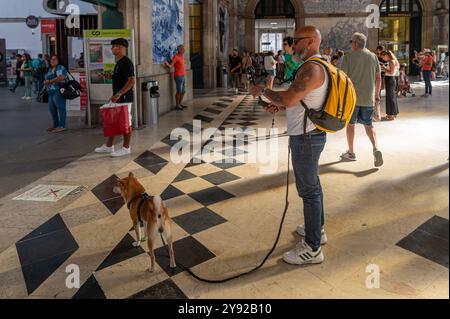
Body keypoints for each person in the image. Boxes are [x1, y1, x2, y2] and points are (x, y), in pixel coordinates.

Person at [252, 26, 330, 265]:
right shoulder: (310, 67)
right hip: (307, 134)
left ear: (311, 41)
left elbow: (287, 97)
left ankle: (313, 249)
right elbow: (296, 100)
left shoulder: (314, 68)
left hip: (307, 137)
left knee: (309, 191)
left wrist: (263, 90)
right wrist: (280, 105)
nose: (293, 45)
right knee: (312, 186)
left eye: (297, 41)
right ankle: (317, 229)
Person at [340, 33, 383, 167]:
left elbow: (343, 79)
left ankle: (351, 153)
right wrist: (376, 95)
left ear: (355, 43)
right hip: (368, 98)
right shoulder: (373, 56)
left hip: (352, 99)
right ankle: (376, 148)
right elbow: (378, 78)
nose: (351, 44)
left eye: (351, 41)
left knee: (350, 125)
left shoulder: (348, 57)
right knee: (369, 125)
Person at [95, 38, 136, 157]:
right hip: (117, 97)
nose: (111, 49)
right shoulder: (119, 62)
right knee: (112, 121)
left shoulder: (126, 62)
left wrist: (119, 94)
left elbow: (131, 81)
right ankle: (109, 146)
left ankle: (126, 147)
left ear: (120, 47)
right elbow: (121, 78)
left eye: (113, 46)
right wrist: (110, 76)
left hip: (124, 98)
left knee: (126, 122)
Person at [44, 55, 68, 133]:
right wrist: (45, 82)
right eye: (51, 59)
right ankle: (55, 125)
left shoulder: (60, 67)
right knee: (52, 109)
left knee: (61, 108)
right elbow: (47, 78)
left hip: (58, 91)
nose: (52, 61)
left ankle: (62, 126)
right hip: (50, 92)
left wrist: (49, 81)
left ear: (58, 61)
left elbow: (61, 77)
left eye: (54, 59)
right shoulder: (50, 69)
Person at [164, 45, 187, 110]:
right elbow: (171, 65)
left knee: (183, 91)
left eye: (184, 49)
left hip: (183, 75)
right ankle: (177, 105)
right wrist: (167, 64)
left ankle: (180, 103)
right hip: (178, 76)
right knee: (179, 91)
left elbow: (182, 64)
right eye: (182, 49)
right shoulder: (175, 57)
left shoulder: (182, 56)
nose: (184, 50)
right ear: (179, 50)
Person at [381, 50, 400, 121]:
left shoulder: (391, 61)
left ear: (387, 55)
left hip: (390, 79)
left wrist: (384, 68)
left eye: (383, 57)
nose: (383, 59)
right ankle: (391, 114)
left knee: (390, 97)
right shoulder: (392, 61)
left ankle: (391, 115)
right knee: (391, 97)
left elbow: (391, 72)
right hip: (390, 79)